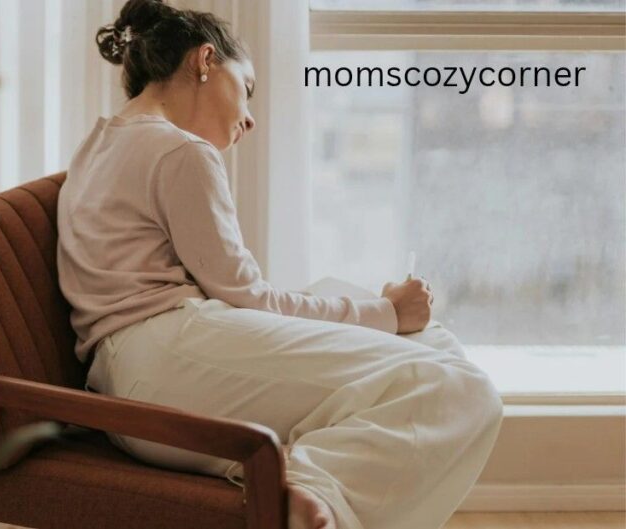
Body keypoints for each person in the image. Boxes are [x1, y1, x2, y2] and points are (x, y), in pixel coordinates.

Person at [55, 1, 503, 528]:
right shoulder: (181, 152)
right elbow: (250, 297)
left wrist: (386, 315)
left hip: (133, 377)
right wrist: (385, 312)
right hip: (164, 364)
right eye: (246, 89)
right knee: (462, 388)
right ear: (205, 61)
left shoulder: (97, 143)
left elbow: (235, 294)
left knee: (430, 345)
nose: (249, 118)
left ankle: (309, 479)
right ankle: (311, 490)